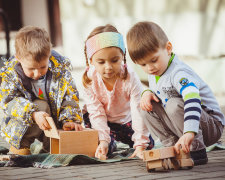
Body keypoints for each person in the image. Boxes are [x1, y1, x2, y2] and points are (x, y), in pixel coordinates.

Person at [126, 21, 225, 165]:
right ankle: (173, 147)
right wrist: (147, 92)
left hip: (209, 125)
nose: (149, 68)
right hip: (184, 127)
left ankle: (196, 150)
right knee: (146, 106)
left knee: (173, 103)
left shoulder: (178, 72)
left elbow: (192, 100)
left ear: (168, 48)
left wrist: (190, 132)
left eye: (153, 60)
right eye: (143, 65)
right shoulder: (155, 72)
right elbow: (157, 93)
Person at [0, 26, 83, 155]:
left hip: (53, 122)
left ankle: (50, 146)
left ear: (49, 54)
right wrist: (33, 113)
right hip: (24, 123)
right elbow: (9, 102)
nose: (37, 73)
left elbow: (70, 95)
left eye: (42, 67)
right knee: (40, 106)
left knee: (60, 148)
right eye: (31, 68)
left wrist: (70, 119)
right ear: (18, 58)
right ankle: (22, 145)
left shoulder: (59, 69)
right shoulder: (11, 74)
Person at [82, 24, 154, 159]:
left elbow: (138, 110)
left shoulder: (129, 77)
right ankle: (109, 142)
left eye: (114, 60)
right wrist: (103, 140)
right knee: (101, 149)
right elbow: (96, 112)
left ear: (122, 56)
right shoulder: (90, 79)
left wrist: (140, 145)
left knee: (148, 144)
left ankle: (124, 141)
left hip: (124, 122)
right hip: (100, 122)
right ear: (91, 60)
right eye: (101, 62)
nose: (108, 67)